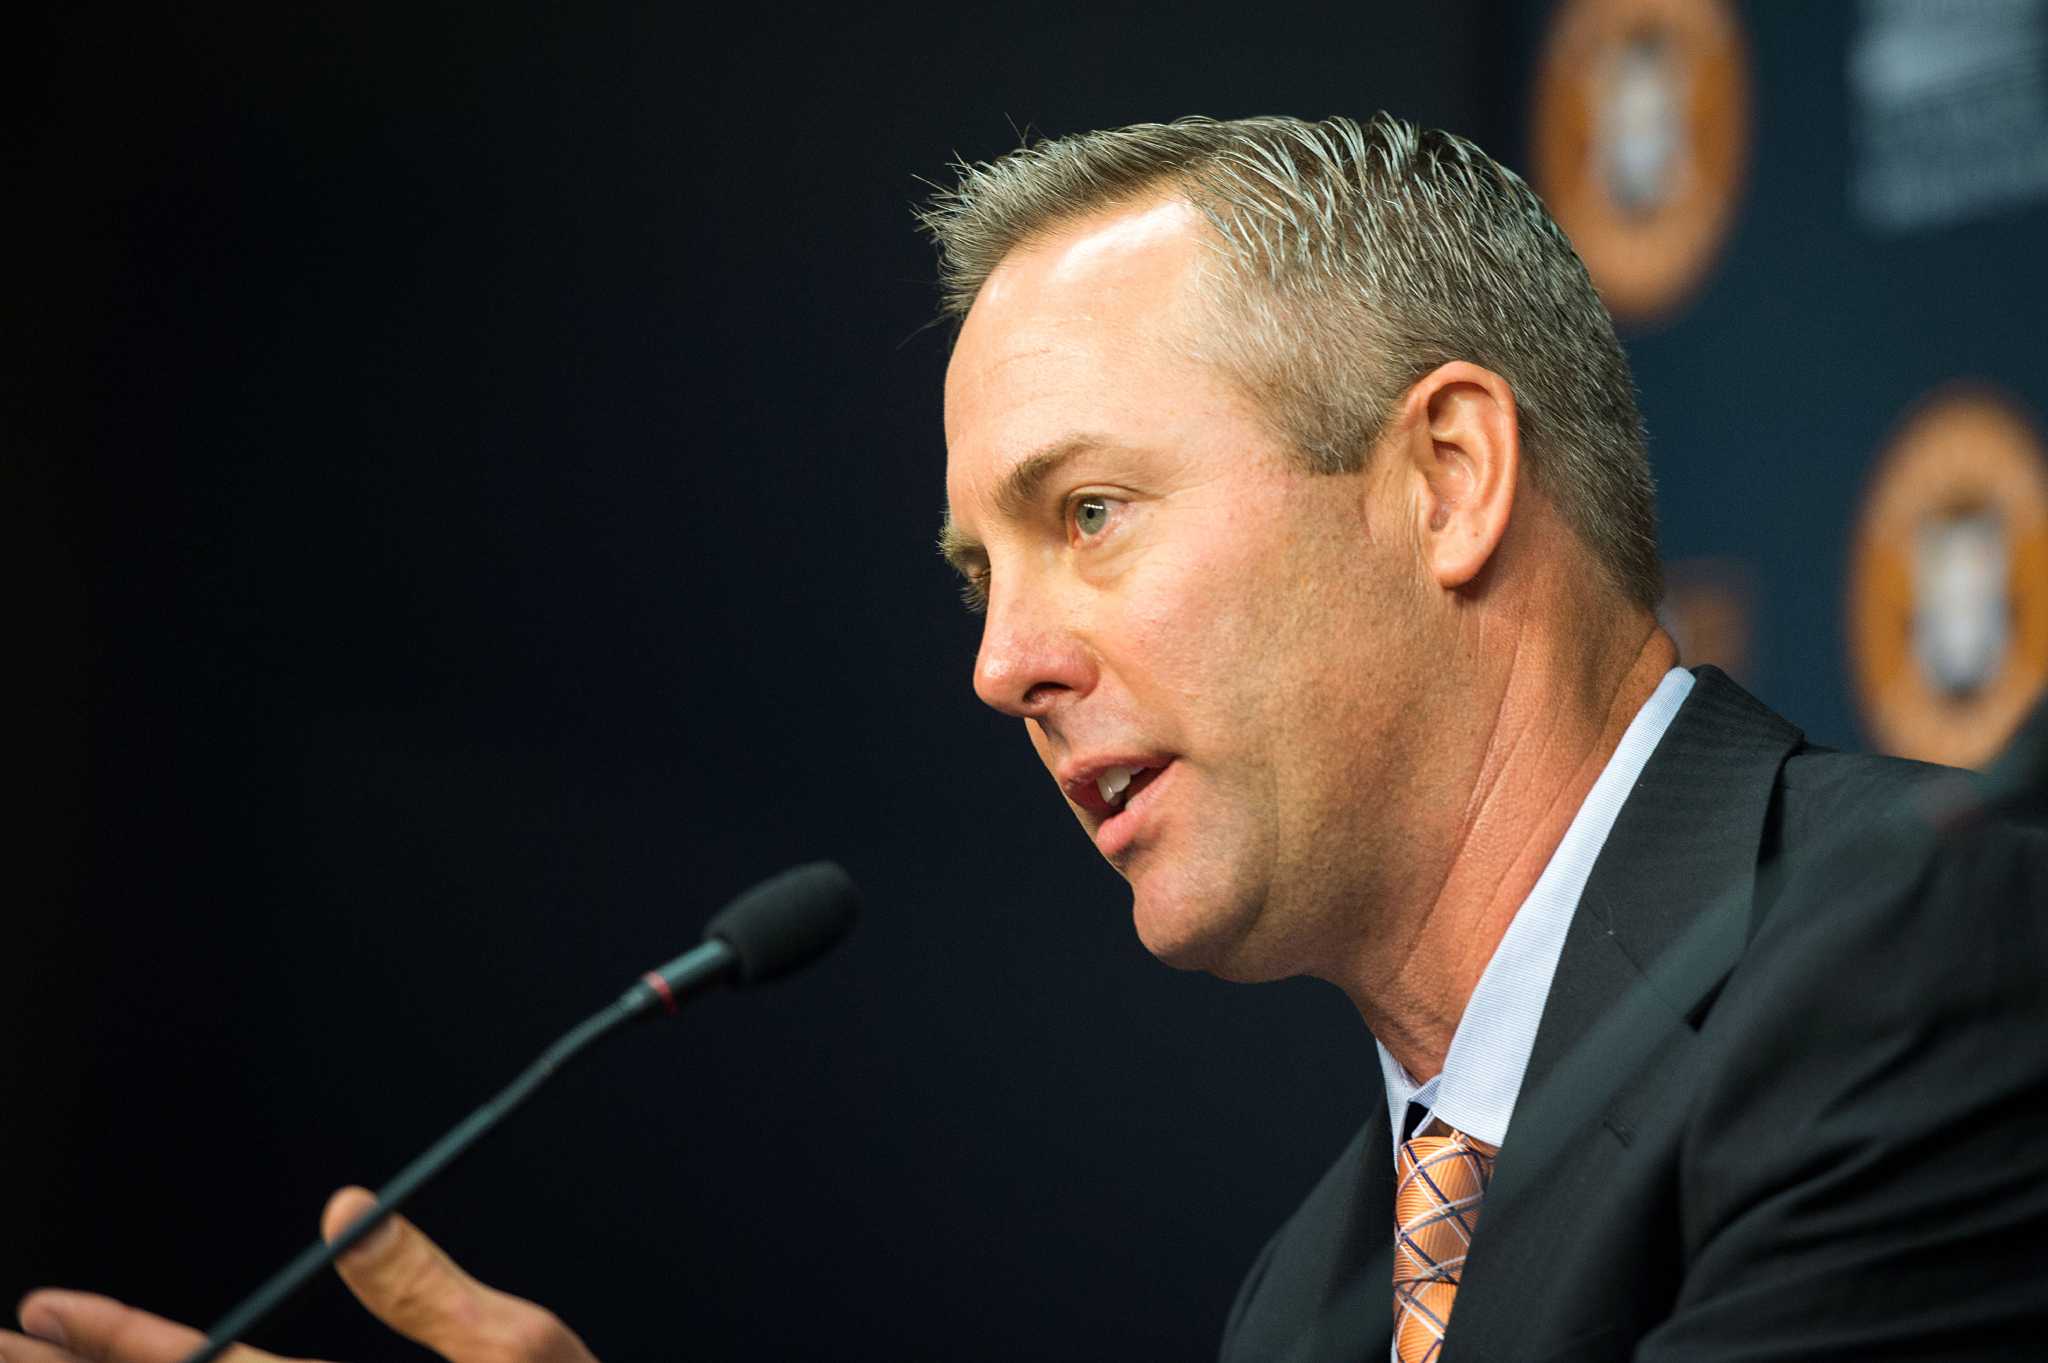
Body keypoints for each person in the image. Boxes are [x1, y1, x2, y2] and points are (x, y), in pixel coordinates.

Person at [10, 112, 2044, 1363]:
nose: (999, 665)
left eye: (1087, 516)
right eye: (976, 575)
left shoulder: (1926, 950)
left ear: (1440, 475)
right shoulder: (1316, 1289)